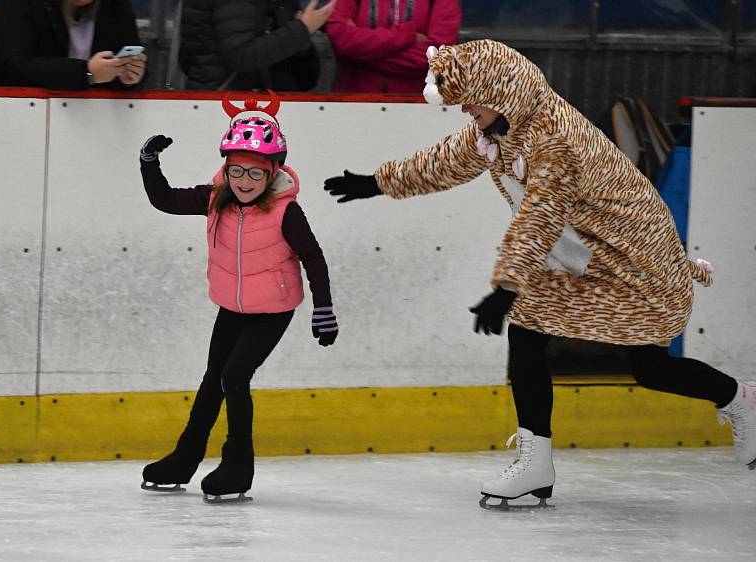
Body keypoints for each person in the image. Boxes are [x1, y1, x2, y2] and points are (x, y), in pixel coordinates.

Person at [323, 39, 756, 508]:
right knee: (527, 334)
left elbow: (541, 215)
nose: (465, 108)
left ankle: (740, 398)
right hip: (578, 254)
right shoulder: (502, 125)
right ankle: (536, 464)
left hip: (633, 257)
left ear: (498, 88)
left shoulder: (554, 137)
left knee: (649, 366)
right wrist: (376, 183)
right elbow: (448, 159)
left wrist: (506, 287)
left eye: (470, 98)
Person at [139, 93, 338, 502]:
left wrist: (324, 308)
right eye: (236, 171)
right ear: (225, 169)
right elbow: (165, 199)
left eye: (255, 173)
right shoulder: (215, 200)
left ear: (273, 173)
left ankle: (237, 466)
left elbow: (312, 257)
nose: (244, 181)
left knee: (234, 376)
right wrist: (149, 164)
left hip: (273, 311)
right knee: (213, 380)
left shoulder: (286, 212)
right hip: (232, 307)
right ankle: (184, 458)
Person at [0, 0, 145, 90]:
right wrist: (86, 73)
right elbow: (15, 66)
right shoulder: (21, 6)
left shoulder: (115, 7)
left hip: (68, 118)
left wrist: (129, 75)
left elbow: (126, 58)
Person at [179, 0, 336, 91]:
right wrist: (302, 29)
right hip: (231, 107)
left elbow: (304, 79)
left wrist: (299, 38)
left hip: (251, 104)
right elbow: (241, 56)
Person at [325, 0, 461, 94]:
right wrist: (408, 35)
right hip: (352, 107)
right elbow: (340, 37)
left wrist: (361, 54)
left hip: (417, 109)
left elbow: (436, 54)